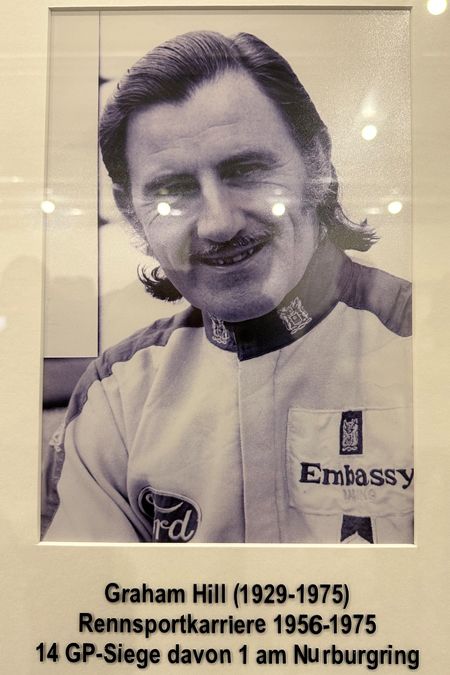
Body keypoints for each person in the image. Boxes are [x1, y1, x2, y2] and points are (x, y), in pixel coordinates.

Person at [43, 31, 412, 544]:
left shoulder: (423, 343)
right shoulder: (115, 395)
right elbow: (82, 589)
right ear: (133, 214)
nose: (218, 224)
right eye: (174, 191)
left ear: (316, 163)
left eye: (247, 171)